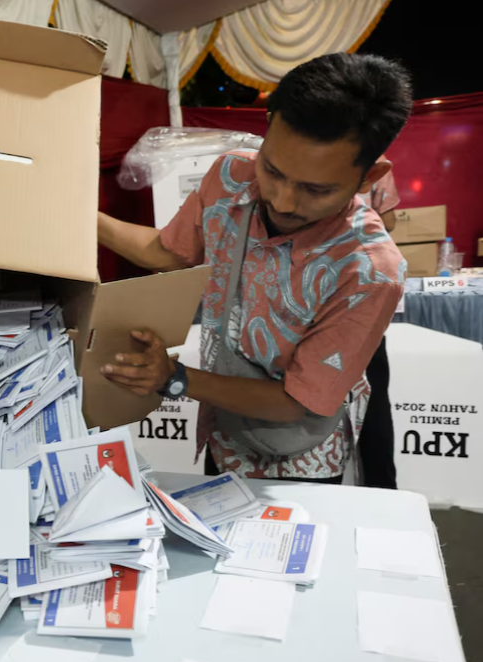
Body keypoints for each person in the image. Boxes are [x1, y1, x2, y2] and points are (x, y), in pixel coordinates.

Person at [97, 54, 412, 482]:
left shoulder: (369, 270)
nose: (282, 201)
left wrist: (175, 378)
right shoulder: (230, 175)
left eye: (316, 190)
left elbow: (297, 402)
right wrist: (82, 219)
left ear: (368, 177)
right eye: (272, 170)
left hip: (299, 458)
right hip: (224, 431)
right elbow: (168, 251)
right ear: (268, 126)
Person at [359, 159, 401, 488]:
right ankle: (380, 488)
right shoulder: (373, 156)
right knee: (372, 393)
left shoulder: (295, 153)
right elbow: (388, 221)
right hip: (362, 283)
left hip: (309, 283)